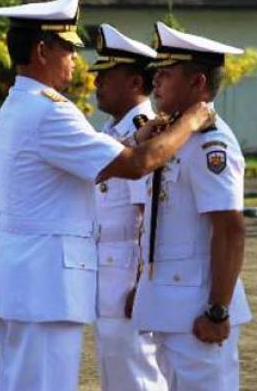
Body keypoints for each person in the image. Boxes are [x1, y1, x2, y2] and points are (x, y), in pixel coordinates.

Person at [0, 0, 215, 390]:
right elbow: (139, 164)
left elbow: (83, 167)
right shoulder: (50, 110)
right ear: (41, 50)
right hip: (44, 285)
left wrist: (135, 137)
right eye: (68, 49)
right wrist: (189, 122)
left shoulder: (18, 104)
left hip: (23, 278)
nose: (75, 60)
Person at [128, 21, 252, 391]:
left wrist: (218, 309)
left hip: (198, 309)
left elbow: (229, 228)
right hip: (169, 304)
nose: (156, 83)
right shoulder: (171, 135)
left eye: (166, 74)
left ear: (197, 83)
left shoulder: (212, 144)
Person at [88, 23, 167, 391]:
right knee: (115, 374)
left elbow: (147, 216)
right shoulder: (110, 133)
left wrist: (142, 282)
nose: (96, 83)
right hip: (105, 269)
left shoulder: (147, 133)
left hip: (126, 275)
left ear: (136, 83)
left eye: (106, 75)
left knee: (137, 375)